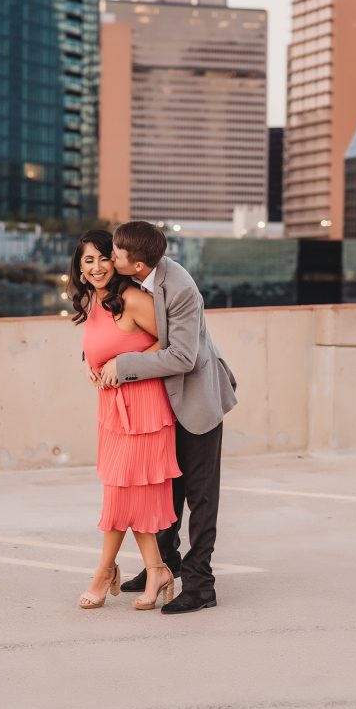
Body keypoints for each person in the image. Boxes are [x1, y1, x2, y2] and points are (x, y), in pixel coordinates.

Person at [97, 220, 237, 615]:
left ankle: (201, 584)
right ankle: (163, 564)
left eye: (117, 253)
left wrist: (123, 364)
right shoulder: (130, 280)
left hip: (196, 401)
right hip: (159, 407)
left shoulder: (180, 288)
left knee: (200, 497)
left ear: (138, 264)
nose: (111, 256)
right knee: (165, 491)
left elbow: (183, 357)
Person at [70, 230, 181, 611]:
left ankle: (104, 571)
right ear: (79, 268)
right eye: (88, 261)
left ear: (116, 261)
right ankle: (156, 568)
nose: (97, 267)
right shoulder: (94, 301)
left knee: (120, 492)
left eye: (104, 258)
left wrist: (124, 365)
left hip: (144, 407)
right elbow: (104, 343)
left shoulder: (132, 298)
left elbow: (170, 342)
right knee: (129, 493)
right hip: (112, 409)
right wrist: (90, 362)